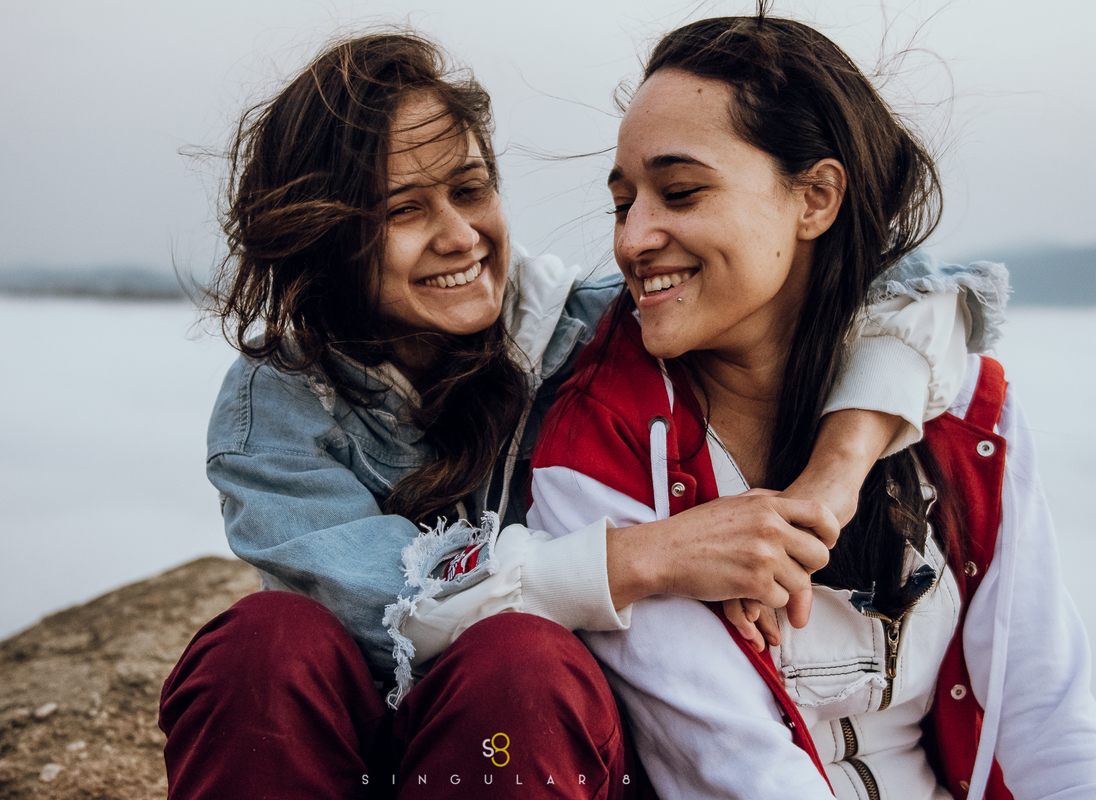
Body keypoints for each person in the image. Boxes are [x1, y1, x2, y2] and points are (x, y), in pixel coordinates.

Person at [158, 29, 1004, 799]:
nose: (459, 236)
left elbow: (907, 286)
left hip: (532, 752)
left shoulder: (591, 328)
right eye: (403, 210)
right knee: (258, 645)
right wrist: (647, 557)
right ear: (321, 235)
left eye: (469, 190)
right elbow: (397, 609)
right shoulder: (273, 408)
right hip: (351, 751)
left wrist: (834, 475)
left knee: (518, 663)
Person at [529, 11, 1096, 800]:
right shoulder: (598, 446)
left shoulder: (966, 412)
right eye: (624, 204)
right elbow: (731, 765)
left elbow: (1048, 720)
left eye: (680, 192)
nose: (632, 239)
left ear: (817, 198)